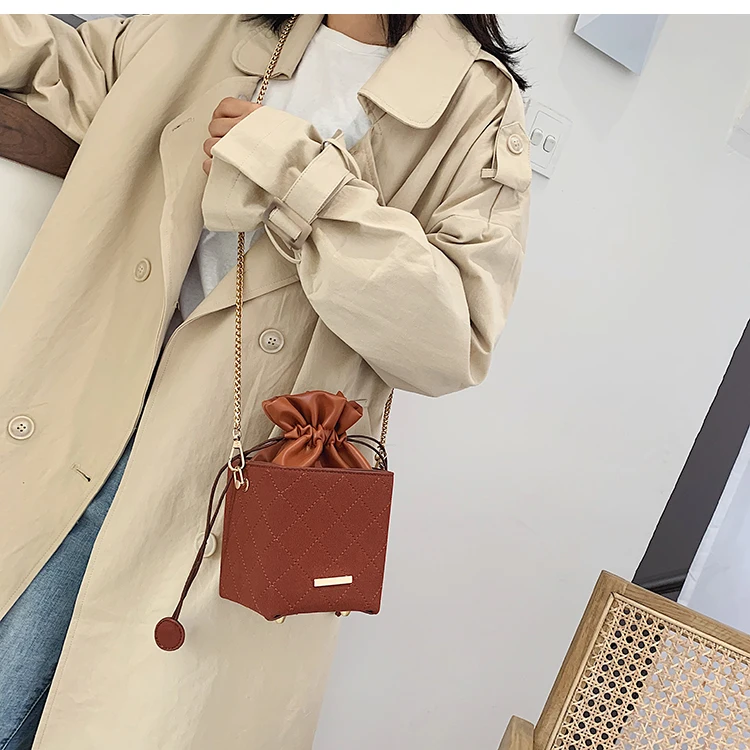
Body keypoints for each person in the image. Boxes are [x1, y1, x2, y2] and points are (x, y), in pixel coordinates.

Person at [0, 13, 531, 750]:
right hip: (88, 421)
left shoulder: (475, 104)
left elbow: (450, 339)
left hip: (233, 481)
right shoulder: (219, 20)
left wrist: (298, 177)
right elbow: (76, 69)